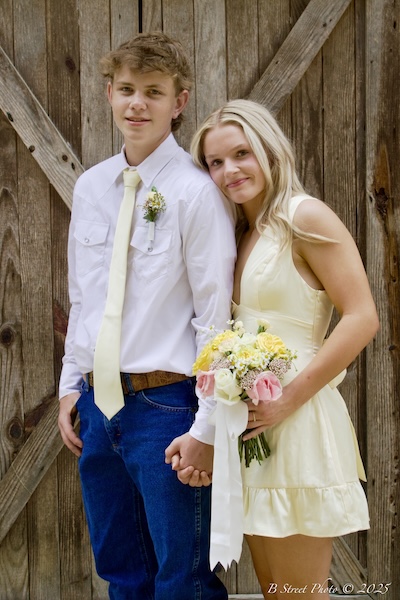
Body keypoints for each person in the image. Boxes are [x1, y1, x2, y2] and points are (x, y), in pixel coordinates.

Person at [166, 99, 379, 598]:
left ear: (269, 149)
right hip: (252, 430)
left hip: (297, 421)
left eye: (241, 153)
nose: (229, 170)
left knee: (298, 593)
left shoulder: (305, 217)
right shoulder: (240, 233)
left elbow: (362, 317)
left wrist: (288, 400)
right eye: (215, 162)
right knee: (276, 590)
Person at [57, 32, 236, 600]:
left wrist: (206, 427)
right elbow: (84, 298)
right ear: (109, 93)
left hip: (168, 408)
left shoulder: (196, 193)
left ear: (178, 103)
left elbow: (214, 320)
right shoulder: (91, 187)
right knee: (122, 573)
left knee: (182, 579)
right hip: (97, 406)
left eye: (153, 92)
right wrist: (70, 386)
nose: (137, 103)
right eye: (127, 89)